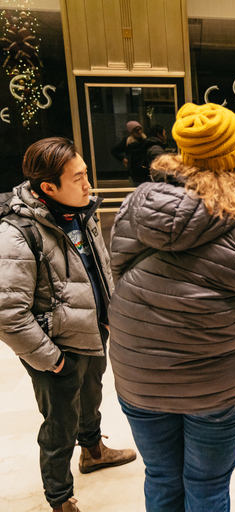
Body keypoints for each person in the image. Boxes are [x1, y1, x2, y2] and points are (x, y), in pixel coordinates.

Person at [108, 103, 235, 511]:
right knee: (206, 486)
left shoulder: (135, 206)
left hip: (139, 376)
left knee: (162, 477)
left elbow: (118, 272)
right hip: (216, 386)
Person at [0, 137, 136, 512]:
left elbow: (100, 269)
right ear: (48, 188)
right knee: (59, 424)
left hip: (92, 332)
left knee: (91, 398)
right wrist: (53, 359)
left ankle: (93, 451)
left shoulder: (81, 212)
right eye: (78, 178)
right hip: (56, 347)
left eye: (87, 174)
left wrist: (109, 316)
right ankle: (60, 498)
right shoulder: (16, 232)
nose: (88, 184)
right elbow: (8, 314)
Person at [111, 120, 147, 184]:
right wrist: (123, 159)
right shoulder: (127, 141)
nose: (139, 132)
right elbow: (114, 151)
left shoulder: (146, 140)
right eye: (136, 130)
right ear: (131, 132)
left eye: (140, 129)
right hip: (133, 170)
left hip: (145, 170)